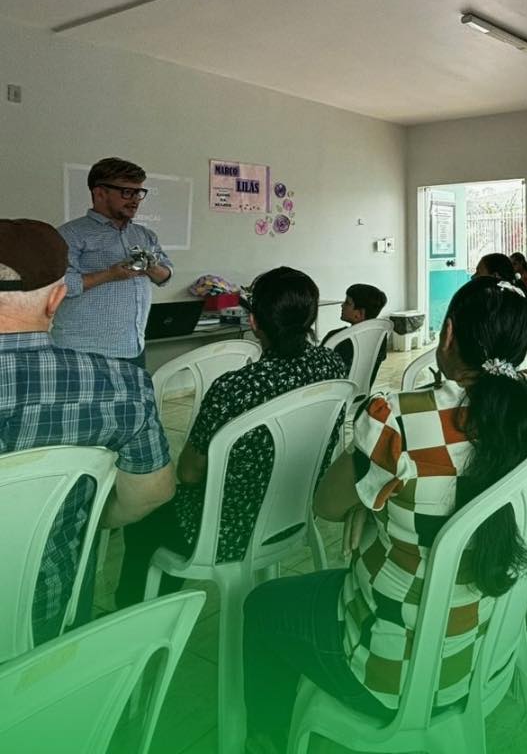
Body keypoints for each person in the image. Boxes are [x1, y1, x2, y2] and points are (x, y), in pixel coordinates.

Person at [241, 277, 527, 754]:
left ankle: (263, 740)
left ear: (447, 334)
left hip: (387, 669)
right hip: (483, 649)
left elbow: (327, 505)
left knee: (262, 606)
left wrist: (367, 498)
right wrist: (372, 498)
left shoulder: (399, 419)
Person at [115, 266, 346, 607]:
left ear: (253, 322)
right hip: (293, 512)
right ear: (311, 318)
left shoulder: (233, 387)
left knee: (145, 517)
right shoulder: (332, 366)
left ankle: (140, 612)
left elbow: (189, 473)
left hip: (227, 530)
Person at [0, 219, 174, 642]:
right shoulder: (123, 386)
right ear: (57, 298)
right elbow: (151, 493)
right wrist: (84, 518)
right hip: (47, 615)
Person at [51, 157, 173, 369]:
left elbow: (166, 276)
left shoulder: (144, 235)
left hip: (133, 347)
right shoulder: (71, 234)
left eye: (138, 193)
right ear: (100, 193)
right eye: (127, 192)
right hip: (84, 351)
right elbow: (60, 285)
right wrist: (110, 274)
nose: (135, 200)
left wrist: (151, 267)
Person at [319, 282, 388, 387]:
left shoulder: (336, 338)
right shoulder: (380, 338)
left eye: (347, 303)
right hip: (362, 393)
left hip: (334, 394)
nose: (342, 305)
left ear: (359, 314)